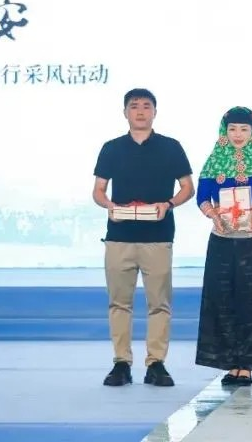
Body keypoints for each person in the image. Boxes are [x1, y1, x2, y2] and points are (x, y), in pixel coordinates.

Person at [92, 88, 194, 387]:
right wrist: (109, 206)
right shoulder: (111, 148)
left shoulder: (171, 147)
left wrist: (169, 204)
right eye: (134, 106)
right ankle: (121, 363)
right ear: (125, 112)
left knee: (159, 304)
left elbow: (188, 187)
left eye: (146, 106)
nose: (140, 111)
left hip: (158, 236)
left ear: (155, 112)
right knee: (119, 303)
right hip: (119, 236)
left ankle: (156, 363)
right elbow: (98, 190)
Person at [194, 106, 252, 387]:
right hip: (221, 240)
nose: (238, 134)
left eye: (244, 129)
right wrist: (212, 214)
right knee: (221, 300)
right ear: (224, 131)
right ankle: (229, 363)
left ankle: (247, 365)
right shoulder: (214, 161)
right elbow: (201, 197)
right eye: (232, 129)